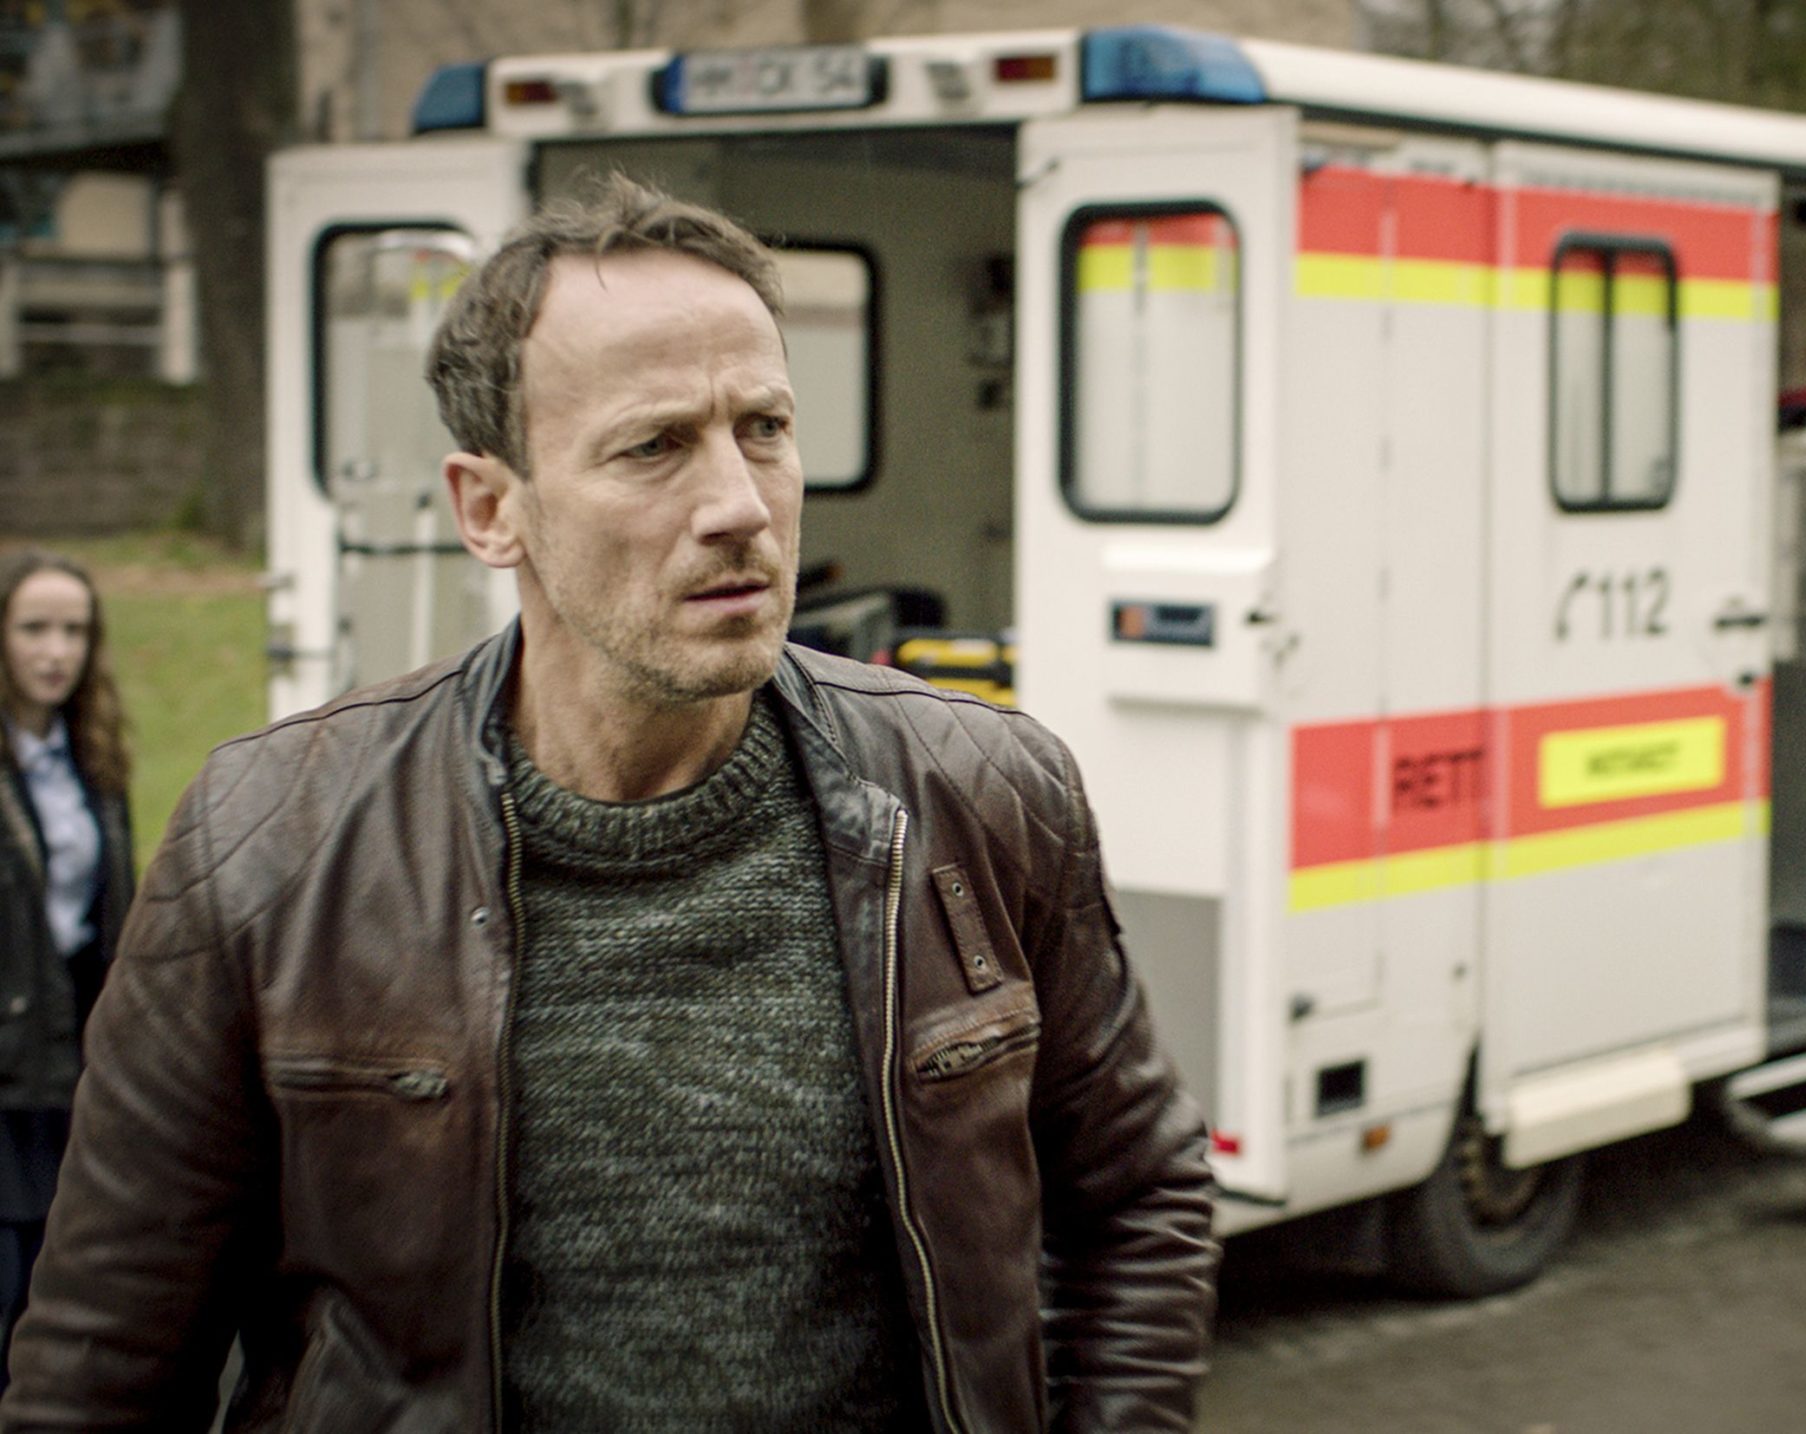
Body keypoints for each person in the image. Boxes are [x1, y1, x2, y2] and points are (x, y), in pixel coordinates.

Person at [3, 179, 1217, 1431]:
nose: (739, 504)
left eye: (764, 427)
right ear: (491, 509)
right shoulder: (270, 840)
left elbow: (1136, 1197)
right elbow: (105, 1354)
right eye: (654, 447)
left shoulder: (979, 793)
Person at [0, 550, 133, 1395]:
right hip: (4, 1078)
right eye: (34, 629)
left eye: (75, 631)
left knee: (52, 1310)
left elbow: (109, 919)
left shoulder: (92, 761)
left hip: (70, 1073)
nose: (56, 652)